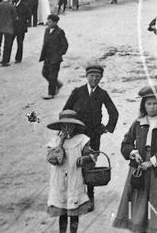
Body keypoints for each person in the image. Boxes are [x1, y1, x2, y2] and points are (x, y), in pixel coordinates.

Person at [113, 85, 157, 233]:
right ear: (143, 105)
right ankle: (138, 227)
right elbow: (126, 143)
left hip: (156, 168)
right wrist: (132, 152)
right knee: (138, 198)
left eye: (155, 103)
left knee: (156, 198)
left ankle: (155, 228)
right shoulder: (138, 123)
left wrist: (152, 161)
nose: (152, 107)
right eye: (149, 103)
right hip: (138, 167)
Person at [63, 64, 119, 211]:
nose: (94, 79)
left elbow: (114, 112)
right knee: (74, 164)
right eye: (91, 76)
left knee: (90, 166)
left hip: (93, 136)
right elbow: (66, 110)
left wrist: (106, 128)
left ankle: (90, 196)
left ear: (101, 78)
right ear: (86, 77)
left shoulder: (102, 94)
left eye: (97, 76)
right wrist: (67, 129)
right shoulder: (77, 92)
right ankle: (75, 196)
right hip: (76, 135)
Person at [46, 110, 95, 233]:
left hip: (75, 179)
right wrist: (61, 142)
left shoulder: (82, 140)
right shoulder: (55, 141)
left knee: (74, 212)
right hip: (59, 181)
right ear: (60, 127)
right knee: (62, 212)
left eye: (70, 126)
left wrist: (85, 158)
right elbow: (52, 159)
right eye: (64, 126)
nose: (67, 128)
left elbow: (91, 156)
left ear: (75, 127)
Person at [40, 14, 68, 99]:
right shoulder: (47, 30)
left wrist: (59, 53)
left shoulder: (60, 32)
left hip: (55, 58)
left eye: (50, 21)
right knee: (44, 73)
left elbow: (65, 45)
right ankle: (57, 84)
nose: (48, 23)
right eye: (48, 21)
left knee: (53, 75)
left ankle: (51, 93)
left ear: (55, 22)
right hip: (47, 56)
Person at [0, 0, 17, 67]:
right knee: (7, 46)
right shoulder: (12, 7)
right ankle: (4, 61)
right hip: (8, 28)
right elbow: (15, 18)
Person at [11, 0, 30, 64]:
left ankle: (18, 58)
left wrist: (20, 19)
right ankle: (6, 58)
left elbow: (28, 15)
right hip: (12, 27)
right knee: (9, 43)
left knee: (20, 43)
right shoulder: (11, 5)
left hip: (21, 27)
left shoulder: (24, 6)